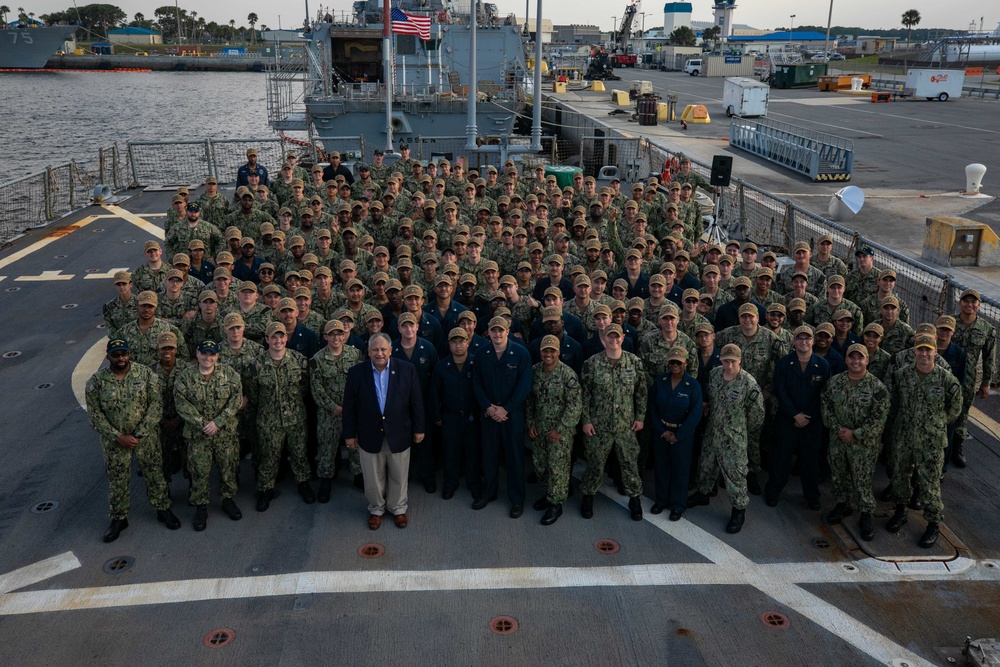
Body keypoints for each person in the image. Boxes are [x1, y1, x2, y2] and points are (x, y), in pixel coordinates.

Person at [86, 338, 180, 543]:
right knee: (118, 480)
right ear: (108, 355)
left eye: (124, 354)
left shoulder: (146, 375)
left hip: (145, 438)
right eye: (116, 355)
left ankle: (162, 509)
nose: (121, 358)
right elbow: (95, 416)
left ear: (129, 354)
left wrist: (138, 434)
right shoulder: (96, 382)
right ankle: (119, 518)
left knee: (155, 473)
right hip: (115, 442)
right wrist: (118, 437)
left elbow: (156, 406)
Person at [884, 334, 963, 548]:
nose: (924, 353)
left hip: (931, 441)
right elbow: (895, 402)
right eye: (920, 349)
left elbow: (955, 409)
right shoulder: (902, 375)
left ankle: (933, 523)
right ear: (914, 352)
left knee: (929, 483)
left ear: (935, 352)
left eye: (928, 350)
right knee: (900, 476)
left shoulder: (947, 380)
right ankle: (901, 511)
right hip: (904, 436)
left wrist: (936, 423)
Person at [343, 333, 426, 530]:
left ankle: (397, 508)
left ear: (390, 350)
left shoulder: (407, 369)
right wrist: (349, 434)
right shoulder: (356, 373)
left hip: (399, 431)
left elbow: (416, 402)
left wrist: (419, 428)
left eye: (383, 349)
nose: (379, 353)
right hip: (369, 433)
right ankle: (376, 509)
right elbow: (349, 406)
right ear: (368, 352)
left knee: (399, 473)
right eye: (375, 350)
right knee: (373, 476)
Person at [688, 344, 764, 534]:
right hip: (713, 432)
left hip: (734, 438)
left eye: (733, 362)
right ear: (720, 360)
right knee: (706, 465)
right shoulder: (714, 375)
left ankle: (738, 509)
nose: (729, 365)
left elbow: (757, 415)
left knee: (735, 474)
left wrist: (740, 430)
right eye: (725, 361)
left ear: (740, 361)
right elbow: (710, 399)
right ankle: (704, 493)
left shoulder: (748, 383)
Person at [820, 343, 891, 541]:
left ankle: (866, 513)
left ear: (867, 360)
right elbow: (826, 409)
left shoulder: (877, 388)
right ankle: (843, 504)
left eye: (860, 358)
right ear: (846, 360)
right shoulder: (834, 383)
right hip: (838, 441)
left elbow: (878, 420)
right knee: (839, 475)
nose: (856, 361)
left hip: (863, 446)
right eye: (852, 357)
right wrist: (839, 430)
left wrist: (855, 434)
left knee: (862, 480)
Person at [172, 338, 244, 531]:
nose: (207, 357)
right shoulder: (185, 377)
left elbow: (236, 400)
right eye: (204, 353)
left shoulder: (229, 375)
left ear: (217, 356)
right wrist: (204, 424)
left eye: (211, 354)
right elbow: (181, 404)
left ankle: (228, 500)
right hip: (198, 436)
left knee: (228, 469)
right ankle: (201, 507)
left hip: (225, 434)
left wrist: (218, 423)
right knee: (199, 472)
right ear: (197, 353)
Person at [579, 323, 648, 521]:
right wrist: (586, 421)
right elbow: (585, 395)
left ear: (623, 338)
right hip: (598, 426)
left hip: (626, 425)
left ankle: (635, 498)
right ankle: (588, 496)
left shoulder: (634, 362)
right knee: (595, 463)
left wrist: (640, 418)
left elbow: (641, 393)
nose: (613, 340)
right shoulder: (592, 363)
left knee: (629, 464)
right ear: (604, 338)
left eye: (617, 337)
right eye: (610, 336)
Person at [472, 316, 533, 517]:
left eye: (501, 330)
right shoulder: (481, 354)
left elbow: (524, 385)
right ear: (488, 332)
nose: (497, 334)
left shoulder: (521, 353)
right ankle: (489, 492)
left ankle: (517, 499)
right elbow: (477, 384)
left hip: (511, 415)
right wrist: (489, 407)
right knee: (488, 455)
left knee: (514, 457)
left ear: (508, 331)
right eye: (493, 330)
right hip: (489, 414)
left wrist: (506, 409)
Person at [765, 325, 831, 509]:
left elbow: (823, 394)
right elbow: (780, 390)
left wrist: (806, 416)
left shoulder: (822, 365)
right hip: (787, 419)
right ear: (794, 341)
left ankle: (812, 495)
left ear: (813, 340)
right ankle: (773, 491)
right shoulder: (785, 363)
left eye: (807, 338)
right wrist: (795, 414)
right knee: (781, 458)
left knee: (810, 461)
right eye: (799, 338)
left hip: (812, 421)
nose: (804, 342)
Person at [247, 322, 311, 511]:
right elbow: (253, 394)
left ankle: (303, 483)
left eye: (281, 336)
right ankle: (265, 489)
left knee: (300, 453)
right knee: (269, 456)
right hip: (268, 420)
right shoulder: (256, 365)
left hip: (295, 418)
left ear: (286, 338)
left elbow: (304, 388)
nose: (278, 340)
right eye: (273, 337)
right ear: (267, 340)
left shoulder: (299, 361)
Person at [525, 334, 583, 526]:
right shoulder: (534, 371)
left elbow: (575, 406)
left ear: (558, 352)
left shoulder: (568, 375)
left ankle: (556, 504)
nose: (548, 354)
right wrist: (531, 423)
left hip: (560, 433)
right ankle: (549, 495)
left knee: (558, 469)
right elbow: (530, 400)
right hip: (539, 429)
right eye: (545, 351)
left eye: (552, 350)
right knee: (540, 466)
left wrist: (560, 429)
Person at [648, 347, 703, 521]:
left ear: (686, 363)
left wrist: (678, 435)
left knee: (680, 470)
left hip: (682, 435)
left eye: (679, 362)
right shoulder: (660, 381)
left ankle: (678, 505)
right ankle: (661, 500)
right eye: (672, 361)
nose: (675, 365)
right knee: (662, 467)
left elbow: (695, 414)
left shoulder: (693, 386)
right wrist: (662, 431)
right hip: (662, 432)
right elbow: (652, 408)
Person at [430, 327, 482, 500]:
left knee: (472, 452)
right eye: (454, 342)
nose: (458, 345)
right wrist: (436, 416)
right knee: (450, 452)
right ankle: (450, 483)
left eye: (461, 341)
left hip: (471, 416)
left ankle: (474, 483)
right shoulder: (442, 366)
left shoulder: (476, 364)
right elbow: (435, 393)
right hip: (450, 416)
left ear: (467, 343)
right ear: (449, 344)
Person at [951, 288, 997, 469]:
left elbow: (989, 358)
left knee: (962, 414)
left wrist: (986, 383)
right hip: (948, 375)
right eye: (966, 301)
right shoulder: (950, 323)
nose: (969, 305)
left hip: (968, 379)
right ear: (960, 302)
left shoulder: (986, 329)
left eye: (973, 302)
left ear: (978, 304)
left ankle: (957, 448)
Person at [103, 270, 138, 339]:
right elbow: (110, 328)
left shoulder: (140, 303)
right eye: (118, 284)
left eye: (124, 284)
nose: (121, 287)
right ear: (115, 286)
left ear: (130, 284)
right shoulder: (109, 306)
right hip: (120, 344)